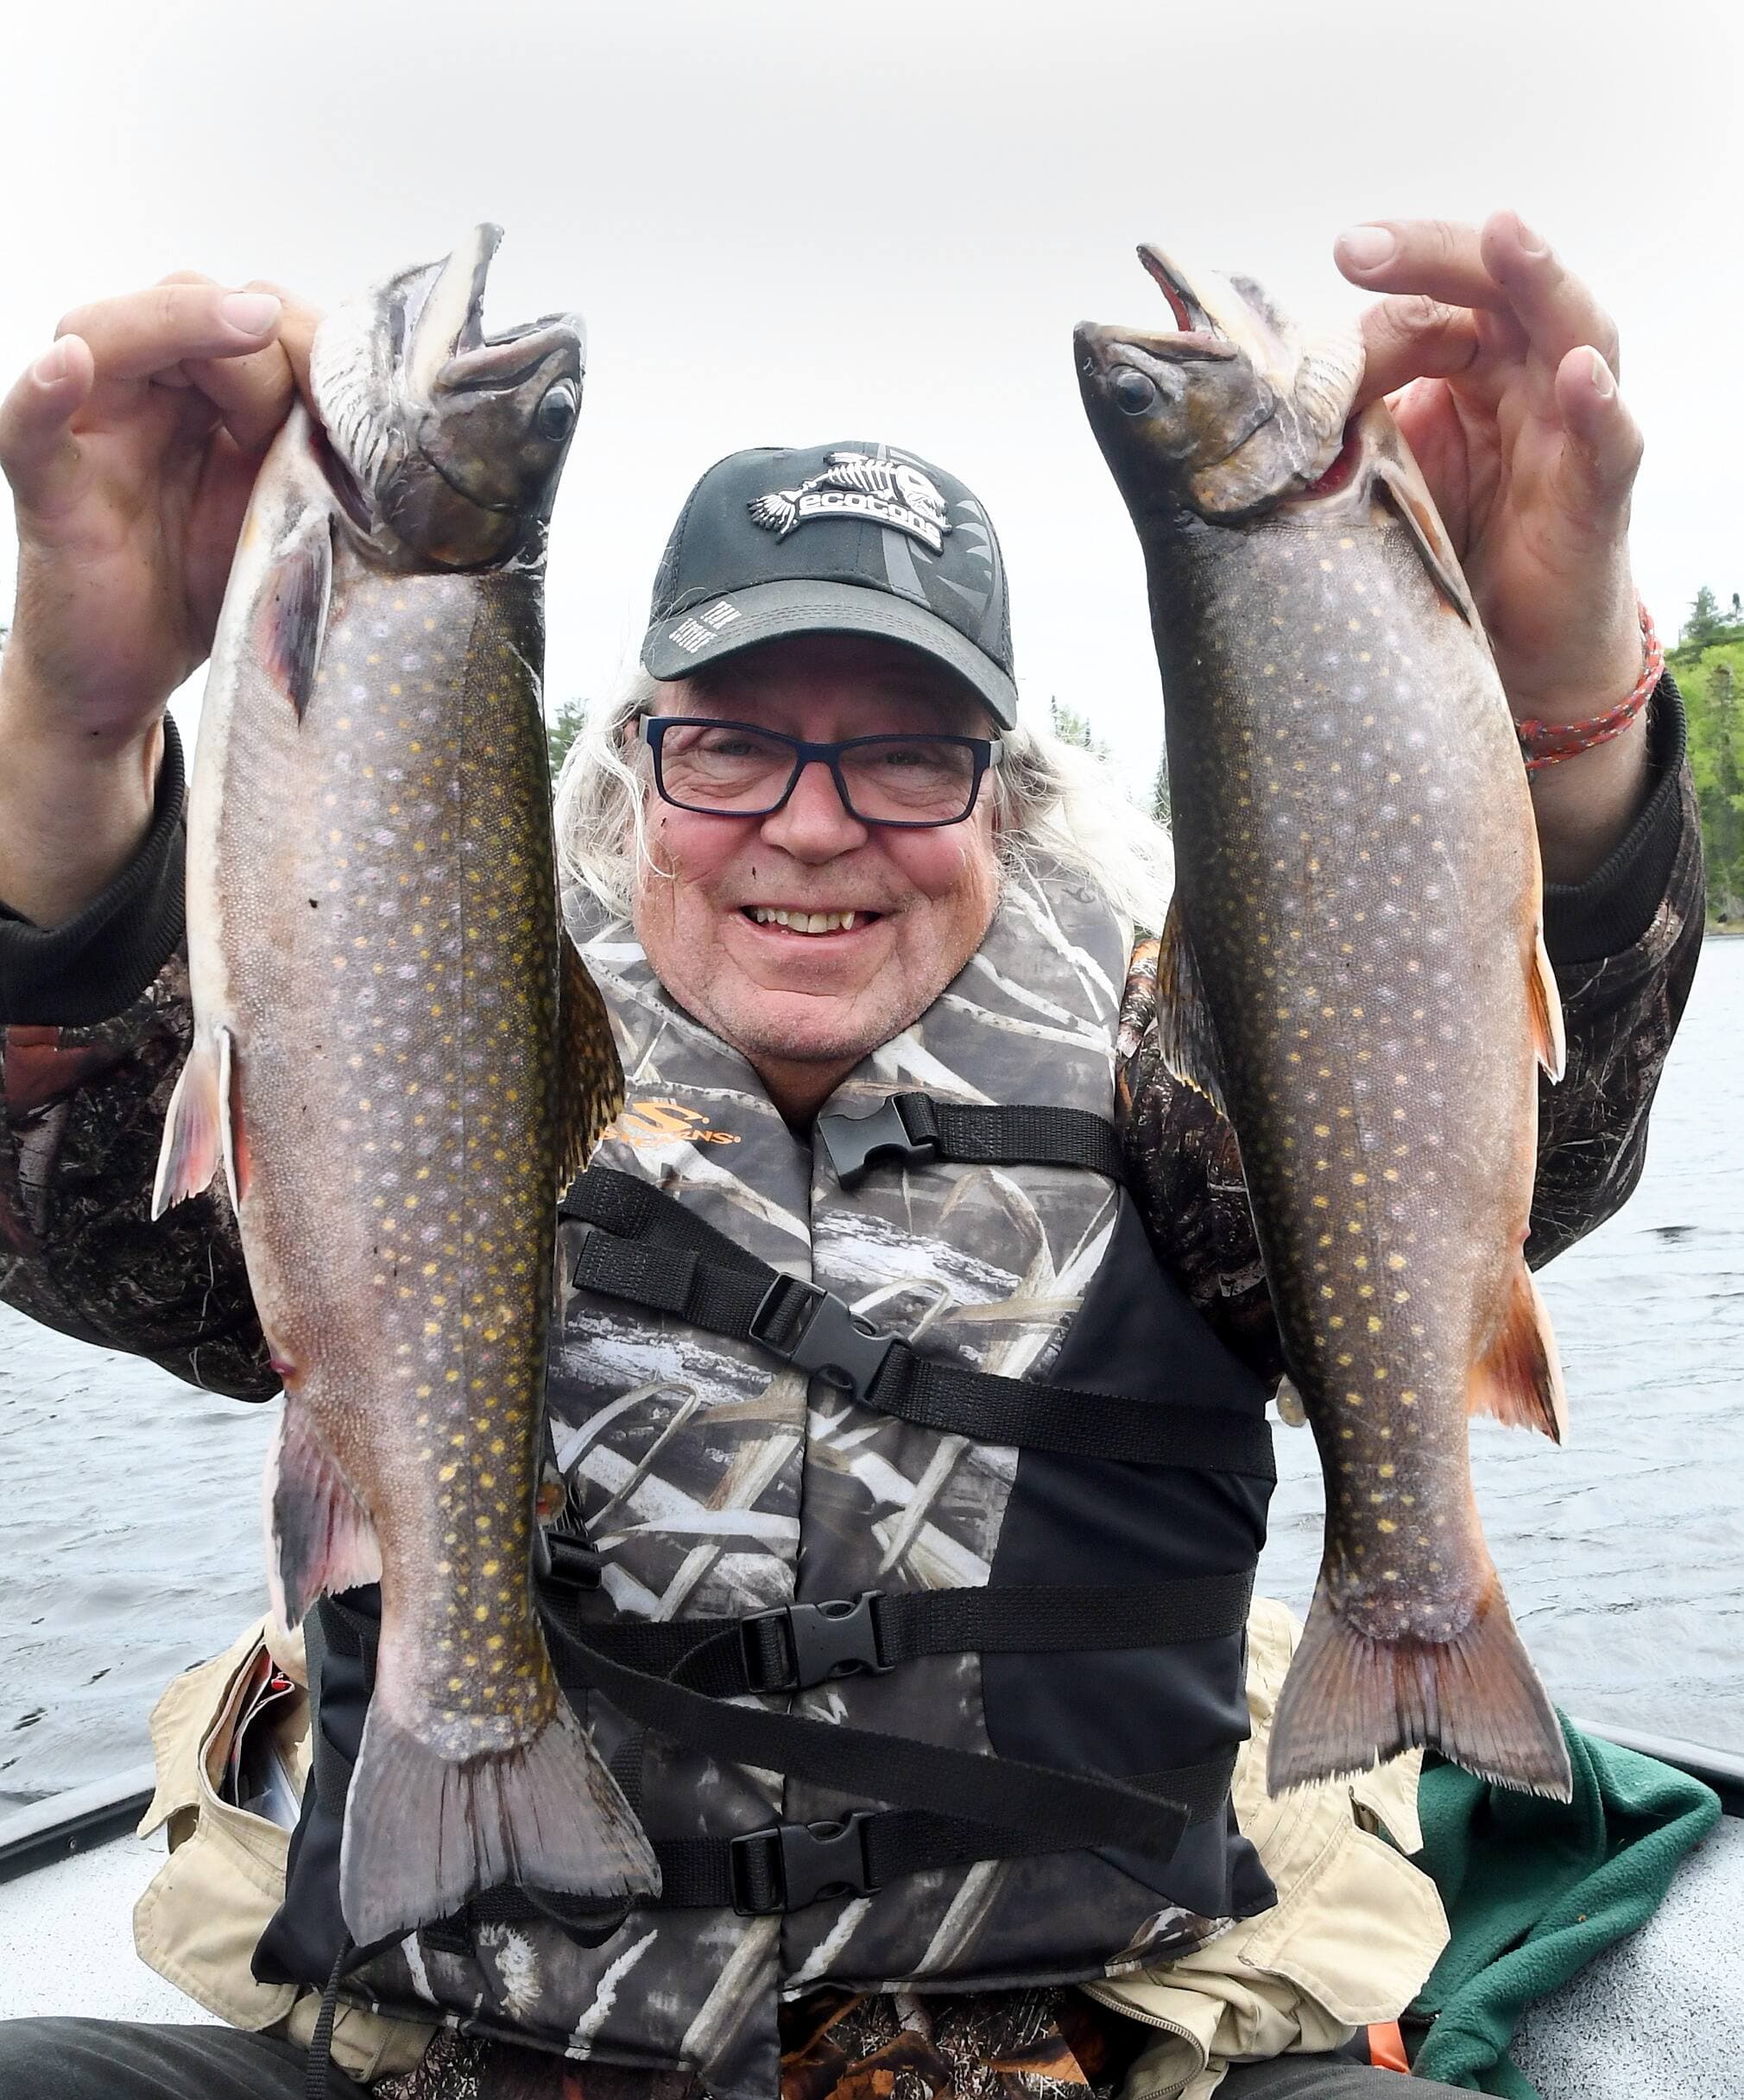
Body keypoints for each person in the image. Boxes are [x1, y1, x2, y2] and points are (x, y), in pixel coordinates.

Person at [0, 211, 1705, 2100]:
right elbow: (91, 1236)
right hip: (452, 2051)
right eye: (732, 742)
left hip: (1084, 2057)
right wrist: (73, 746)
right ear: (634, 754)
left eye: (903, 752)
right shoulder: (415, 1037)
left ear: (1005, 781)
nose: (811, 828)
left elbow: (1494, 1160)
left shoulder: (1182, 1071)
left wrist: (1554, 712)